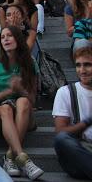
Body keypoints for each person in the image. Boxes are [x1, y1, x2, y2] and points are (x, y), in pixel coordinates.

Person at [0, 26, 43, 179]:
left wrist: (20, 90)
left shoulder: (29, 62)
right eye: (3, 37)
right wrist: (9, 91)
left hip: (24, 112)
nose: (6, 39)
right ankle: (23, 158)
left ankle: (10, 156)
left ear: (18, 39)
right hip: (1, 111)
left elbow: (32, 100)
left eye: (10, 36)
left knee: (23, 101)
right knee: (6, 108)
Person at [53, 46, 92, 179]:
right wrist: (87, 122)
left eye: (87, 65)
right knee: (62, 139)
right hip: (79, 152)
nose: (82, 70)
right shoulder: (65, 92)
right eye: (78, 65)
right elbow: (61, 132)